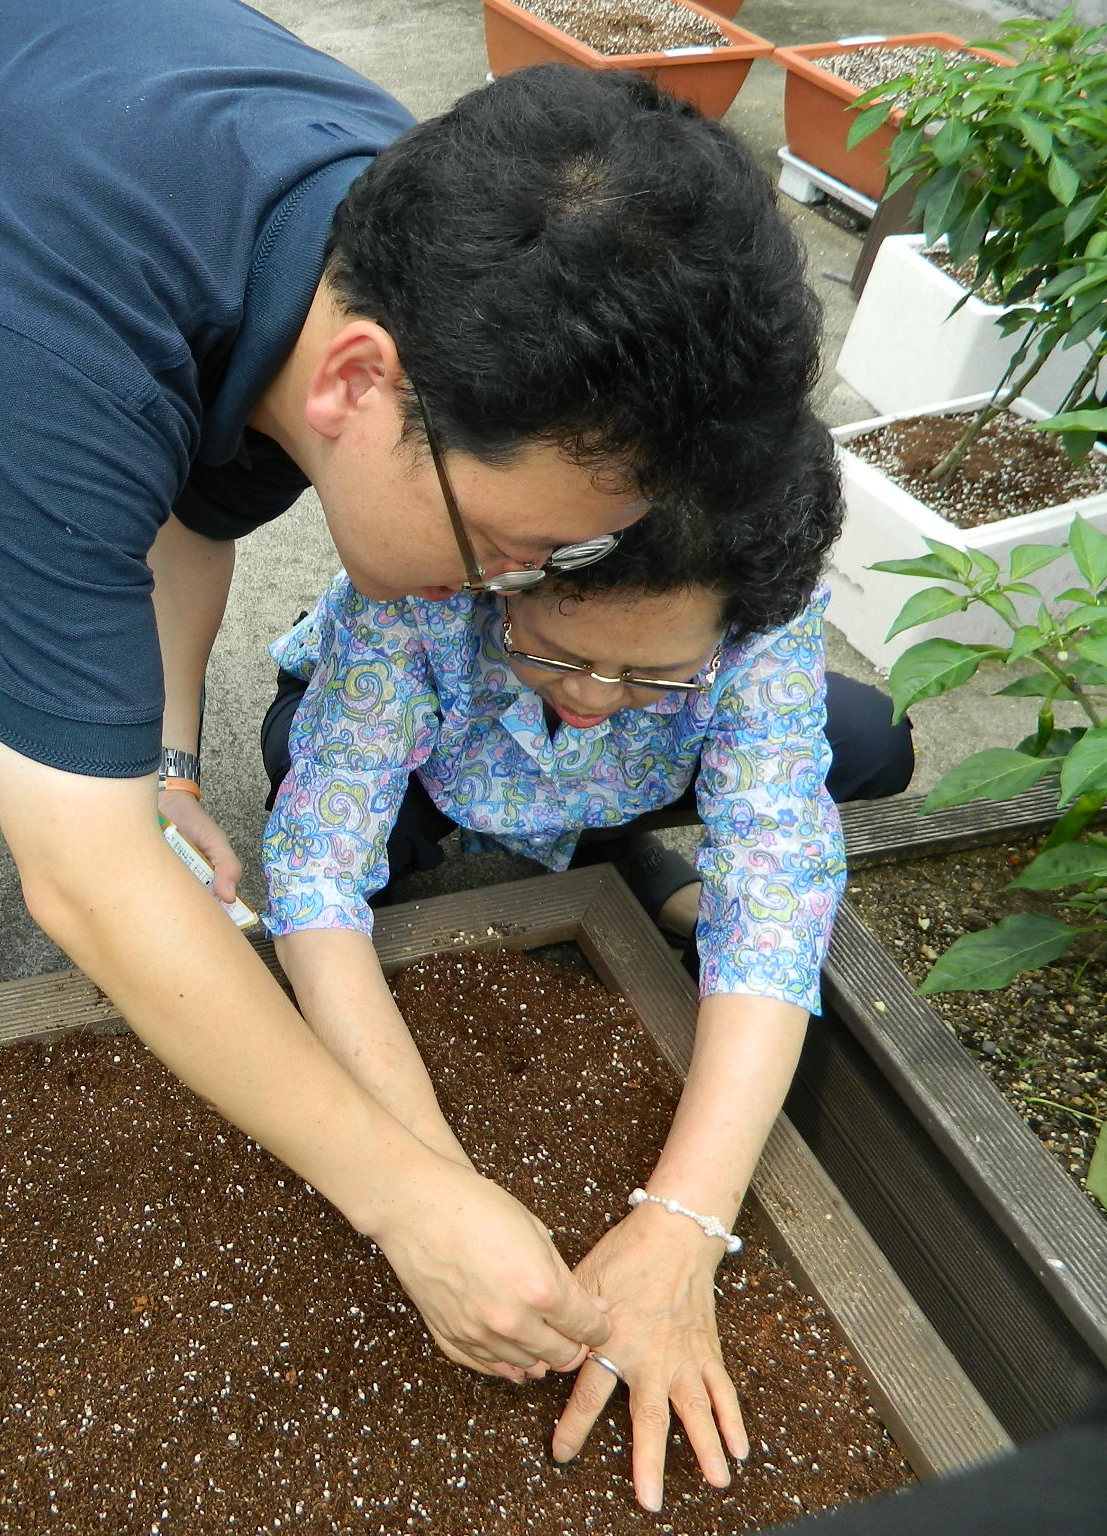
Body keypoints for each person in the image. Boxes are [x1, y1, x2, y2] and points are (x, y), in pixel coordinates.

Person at [0, 0, 828, 1384]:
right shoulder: (39, 351)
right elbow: (83, 877)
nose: (511, 592)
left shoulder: (428, 269)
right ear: (360, 383)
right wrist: (410, 1201)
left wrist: (164, 761)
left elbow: (185, 497)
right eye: (508, 547)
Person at [258, 469, 915, 1513]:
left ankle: (610, 853)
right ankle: (547, 853)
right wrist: (429, 1188)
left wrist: (685, 1224)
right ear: (506, 574)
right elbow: (313, 872)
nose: (597, 695)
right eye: (555, 651)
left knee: (872, 741)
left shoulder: (761, 607)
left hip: (622, 776)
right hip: (442, 755)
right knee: (313, 770)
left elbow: (775, 896)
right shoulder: (422, 583)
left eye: (652, 670)